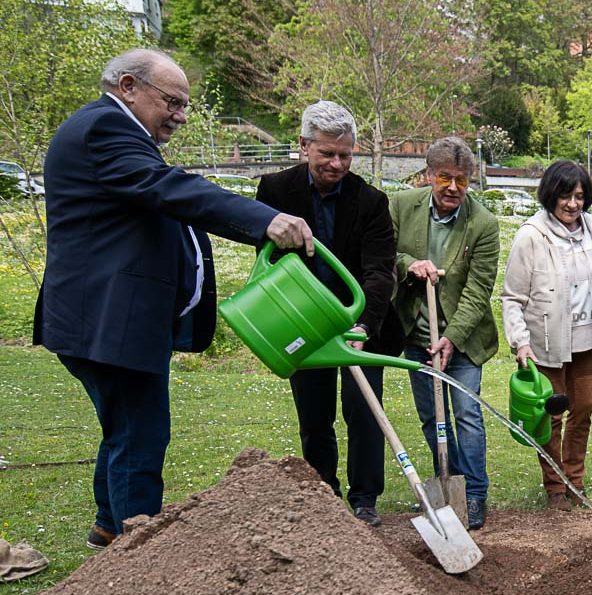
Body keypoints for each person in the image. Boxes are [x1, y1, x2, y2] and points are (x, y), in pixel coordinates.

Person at [32, 48, 313, 550]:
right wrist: (262, 219)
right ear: (128, 87)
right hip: (109, 321)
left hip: (106, 319)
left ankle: (107, 527)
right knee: (140, 438)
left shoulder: (110, 130)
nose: (181, 116)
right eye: (173, 102)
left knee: (123, 427)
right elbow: (167, 188)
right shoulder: (104, 129)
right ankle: (137, 556)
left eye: (185, 105)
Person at [255, 101, 396, 527]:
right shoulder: (276, 191)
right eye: (327, 154)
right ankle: (323, 494)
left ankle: (365, 498)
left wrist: (362, 325)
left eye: (345, 155)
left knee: (364, 411)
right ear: (304, 146)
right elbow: (268, 261)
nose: (337, 163)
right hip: (302, 323)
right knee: (314, 416)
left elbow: (379, 270)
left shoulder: (371, 201)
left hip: (359, 325)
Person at [387, 137, 499, 529]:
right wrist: (409, 264)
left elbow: (478, 291)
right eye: (445, 178)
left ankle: (475, 494)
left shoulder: (482, 224)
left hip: (464, 338)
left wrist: (451, 338)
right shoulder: (401, 206)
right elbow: (386, 253)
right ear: (429, 175)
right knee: (432, 415)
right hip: (416, 335)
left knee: (467, 413)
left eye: (462, 181)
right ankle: (445, 481)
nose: (453, 188)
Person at [502, 160, 592, 511]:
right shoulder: (531, 236)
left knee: (583, 410)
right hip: (546, 343)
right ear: (551, 195)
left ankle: (574, 480)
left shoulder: (591, 228)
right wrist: (520, 341)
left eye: (579, 196)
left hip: (584, 340)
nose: (572, 204)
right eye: (565, 196)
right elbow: (512, 297)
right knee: (551, 414)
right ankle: (555, 486)